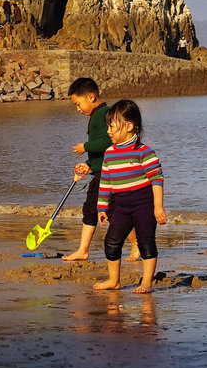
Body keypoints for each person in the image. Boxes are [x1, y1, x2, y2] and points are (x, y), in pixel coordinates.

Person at [62, 79, 140, 262]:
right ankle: (83, 250)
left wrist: (86, 146)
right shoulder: (96, 115)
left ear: (91, 96)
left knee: (112, 211)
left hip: (110, 174)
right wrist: (89, 164)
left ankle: (136, 245)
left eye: (79, 104)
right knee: (91, 209)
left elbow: (109, 141)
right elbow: (102, 152)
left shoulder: (105, 113)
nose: (78, 109)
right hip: (101, 171)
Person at [93, 100, 167, 294]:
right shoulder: (109, 153)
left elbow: (157, 179)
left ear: (129, 126)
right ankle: (114, 280)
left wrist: (158, 207)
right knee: (111, 242)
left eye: (112, 126)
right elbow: (105, 183)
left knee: (146, 242)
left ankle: (146, 282)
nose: (108, 131)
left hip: (144, 205)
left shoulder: (144, 152)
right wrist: (101, 208)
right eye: (108, 126)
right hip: (122, 208)